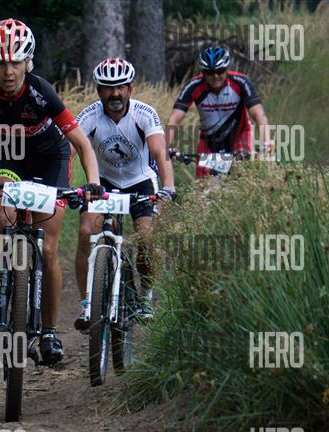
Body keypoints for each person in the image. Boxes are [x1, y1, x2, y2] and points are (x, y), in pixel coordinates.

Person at [0, 18, 103, 365]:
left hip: (50, 158)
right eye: (0, 63)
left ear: (27, 62)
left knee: (48, 247)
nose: (8, 71)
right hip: (8, 156)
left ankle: (49, 331)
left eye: (15, 62)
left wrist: (92, 183)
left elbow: (82, 144)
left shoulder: (41, 90)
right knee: (0, 219)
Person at [73, 58, 176, 322]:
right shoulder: (89, 115)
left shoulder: (144, 113)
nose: (115, 93)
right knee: (86, 232)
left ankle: (145, 296)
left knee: (145, 237)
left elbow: (160, 153)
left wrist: (168, 188)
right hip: (104, 183)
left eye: (120, 87)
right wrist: (63, 185)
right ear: (99, 90)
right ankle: (87, 303)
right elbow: (68, 152)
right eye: (108, 88)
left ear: (130, 88)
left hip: (140, 181)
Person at [166, 46, 272, 177]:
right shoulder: (193, 86)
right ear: (203, 72)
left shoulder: (240, 82)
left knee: (242, 177)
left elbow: (258, 114)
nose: (215, 76)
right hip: (209, 142)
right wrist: (168, 145)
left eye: (220, 71)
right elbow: (174, 119)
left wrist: (266, 142)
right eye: (209, 72)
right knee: (204, 185)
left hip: (240, 137)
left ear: (227, 68)